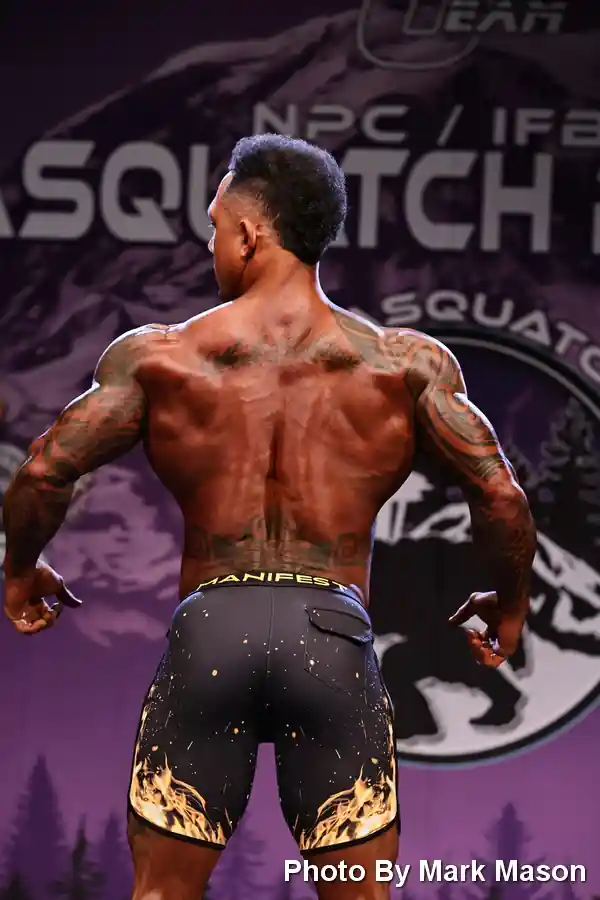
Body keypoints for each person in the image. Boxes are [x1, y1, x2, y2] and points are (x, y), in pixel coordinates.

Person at [2, 134, 536, 900]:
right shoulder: (401, 364)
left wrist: (21, 570)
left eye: (216, 228)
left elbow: (44, 473)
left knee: (161, 894)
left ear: (250, 235)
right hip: (333, 638)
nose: (211, 245)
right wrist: (509, 605)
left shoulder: (163, 358)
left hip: (210, 632)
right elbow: (501, 497)